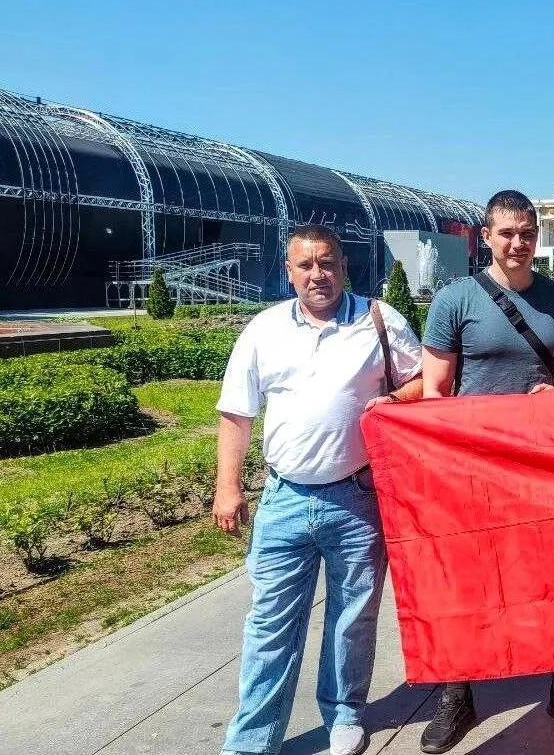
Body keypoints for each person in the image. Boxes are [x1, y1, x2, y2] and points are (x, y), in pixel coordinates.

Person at [213, 224, 425, 755]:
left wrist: (397, 403)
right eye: (305, 265)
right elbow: (236, 412)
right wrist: (227, 486)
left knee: (352, 618)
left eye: (327, 263)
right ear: (289, 272)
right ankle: (252, 741)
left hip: (356, 497)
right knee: (269, 626)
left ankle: (345, 712)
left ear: (344, 266)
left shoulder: (379, 319)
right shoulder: (263, 330)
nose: (317, 275)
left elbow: (423, 380)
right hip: (284, 499)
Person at [418, 189, 554, 752]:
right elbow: (435, 390)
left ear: (536, 236)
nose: (518, 243)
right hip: (475, 470)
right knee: (466, 584)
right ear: (487, 238)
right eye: (507, 234)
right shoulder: (455, 300)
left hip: (543, 470)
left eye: (526, 233)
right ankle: (457, 694)